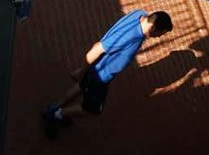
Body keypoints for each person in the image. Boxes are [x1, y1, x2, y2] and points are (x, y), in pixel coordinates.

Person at [42, 9, 173, 139]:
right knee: (92, 109)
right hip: (100, 75)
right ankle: (56, 115)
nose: (158, 37)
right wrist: (82, 71)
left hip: (96, 69)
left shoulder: (140, 14)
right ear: (153, 28)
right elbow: (97, 49)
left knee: (82, 86)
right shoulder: (128, 37)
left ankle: (55, 107)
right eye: (160, 34)